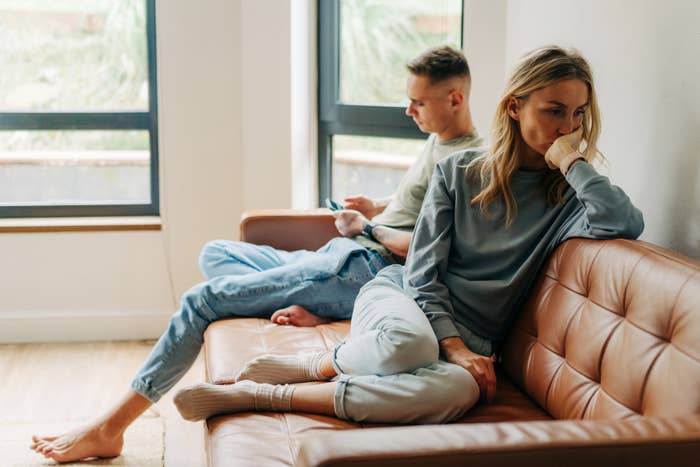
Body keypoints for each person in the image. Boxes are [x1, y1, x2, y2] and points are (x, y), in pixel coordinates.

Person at [29, 46, 483, 463]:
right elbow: (418, 207)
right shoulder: (439, 140)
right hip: (343, 253)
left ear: (455, 99)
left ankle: (112, 426)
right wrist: (378, 206)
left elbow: (429, 249)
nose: (409, 110)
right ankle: (316, 304)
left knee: (202, 300)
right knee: (216, 252)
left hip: (364, 268)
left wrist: (369, 228)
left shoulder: (467, 164)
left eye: (418, 103)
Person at [170, 45, 644, 425]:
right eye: (555, 111)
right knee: (410, 345)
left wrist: (573, 162)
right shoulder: (459, 171)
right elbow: (420, 274)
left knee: (461, 390)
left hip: (473, 339)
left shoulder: (567, 196)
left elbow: (622, 222)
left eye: (579, 114)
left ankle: (268, 395)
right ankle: (327, 362)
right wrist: (453, 347)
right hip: (405, 301)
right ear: (515, 108)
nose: (569, 128)